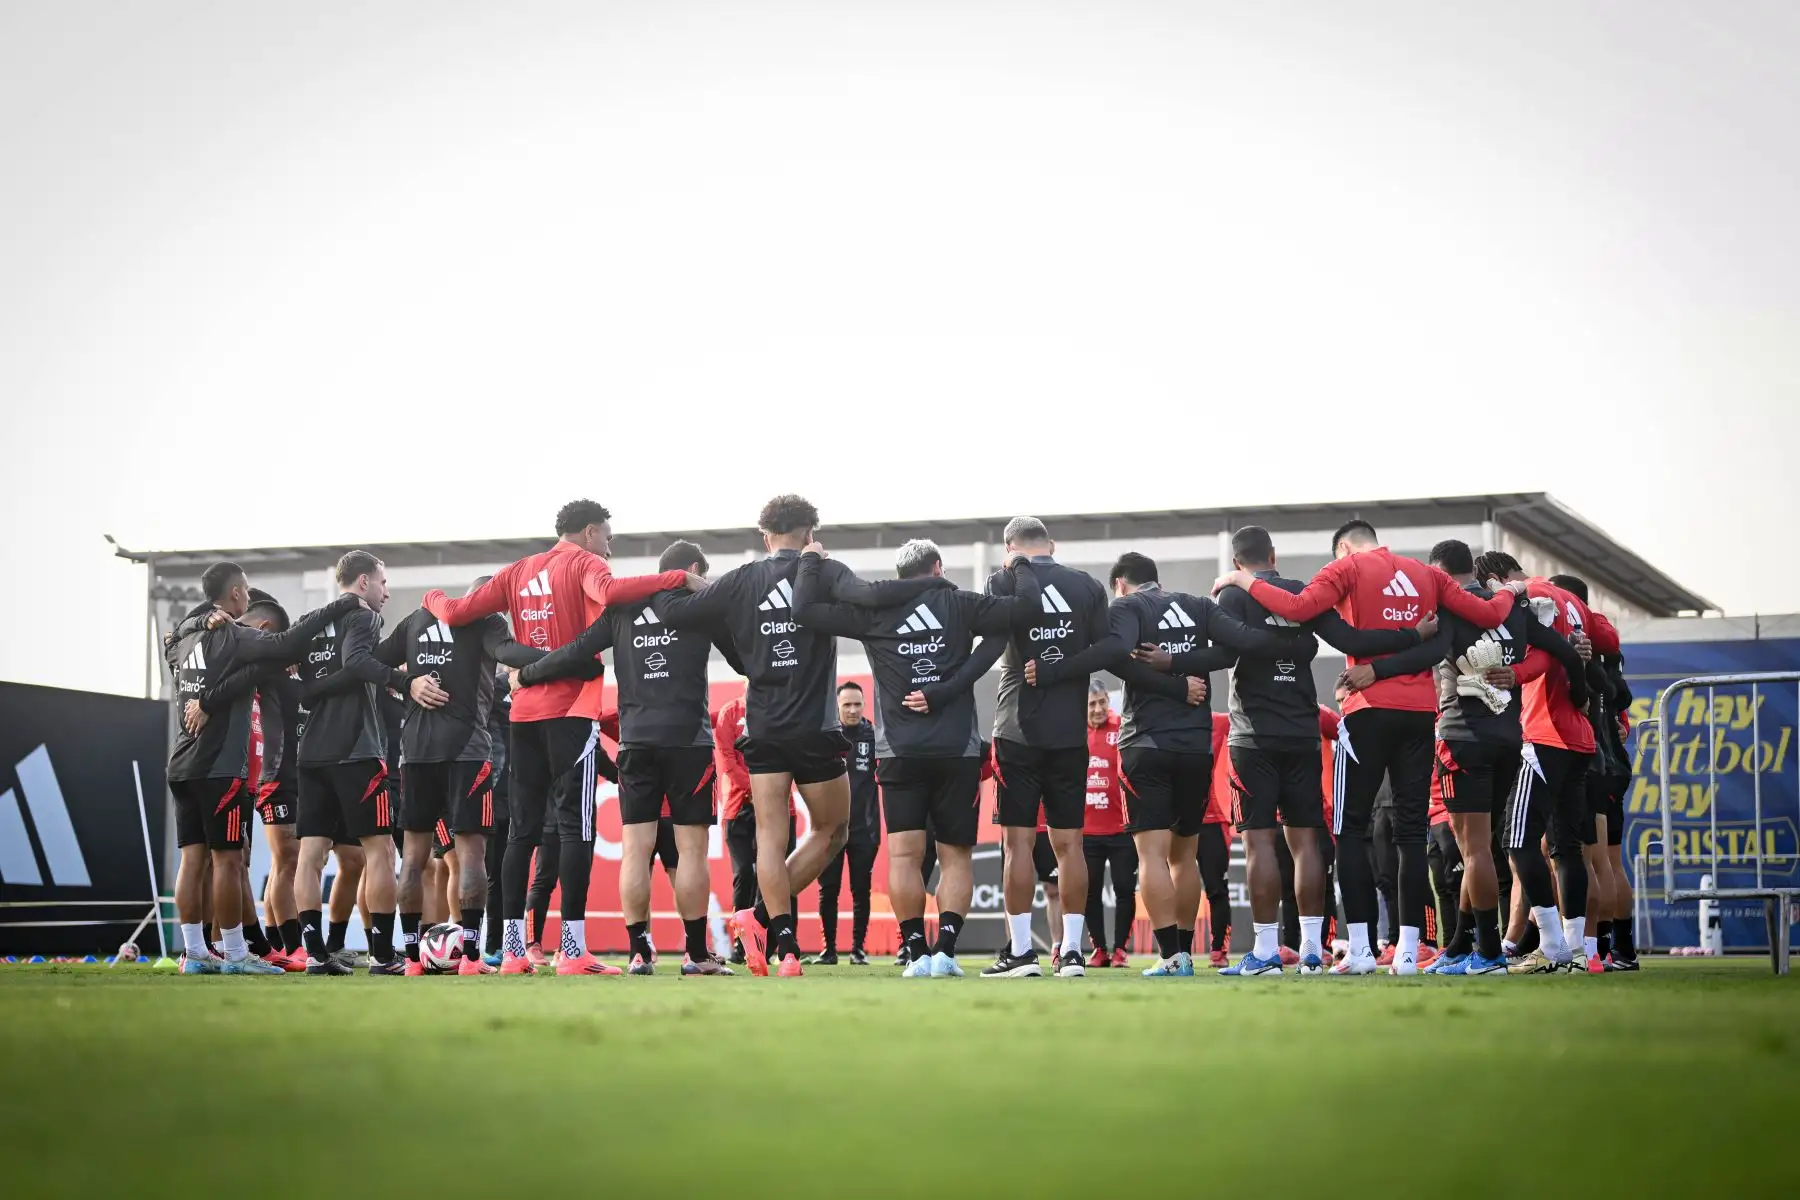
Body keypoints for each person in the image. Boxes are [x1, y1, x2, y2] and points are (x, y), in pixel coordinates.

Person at [1215, 520, 1522, 975]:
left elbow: (1315, 617)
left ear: (1343, 548)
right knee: (1411, 834)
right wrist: (1511, 592)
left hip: (1365, 711)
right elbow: (1462, 631)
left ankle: (1358, 951)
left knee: (1350, 831)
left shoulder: (1345, 570)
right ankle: (1408, 953)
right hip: (1420, 714)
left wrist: (1243, 579)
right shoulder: (1427, 574)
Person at [653, 495, 933, 977]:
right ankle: (761, 919)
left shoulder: (740, 580)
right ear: (810, 533)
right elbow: (870, 596)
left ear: (765, 536)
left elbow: (676, 613)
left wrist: (683, 582)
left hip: (762, 727)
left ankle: (780, 943)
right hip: (815, 728)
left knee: (769, 837)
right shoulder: (823, 571)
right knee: (834, 831)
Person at [421, 499, 699, 976]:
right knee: (576, 830)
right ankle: (572, 951)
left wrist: (430, 597)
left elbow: (458, 611)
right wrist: (678, 579)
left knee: (521, 833)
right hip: (572, 711)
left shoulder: (517, 571)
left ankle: (511, 952)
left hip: (523, 715)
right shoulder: (586, 563)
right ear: (590, 532)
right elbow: (611, 593)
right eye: (608, 538)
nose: (609, 549)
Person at [1033, 550, 1303, 978]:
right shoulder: (1197, 605)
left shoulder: (1126, 606)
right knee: (1185, 857)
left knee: (1152, 856)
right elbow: (1234, 649)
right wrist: (1185, 677)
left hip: (1147, 745)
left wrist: (1169, 674)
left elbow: (1115, 655)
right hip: (1195, 748)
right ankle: (1185, 955)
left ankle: (1171, 955)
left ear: (1121, 583)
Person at [791, 537, 1039, 978]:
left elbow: (806, 610)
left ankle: (915, 950)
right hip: (956, 751)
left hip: (899, 752)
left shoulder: (875, 610)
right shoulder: (961, 604)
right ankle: (945, 949)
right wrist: (1018, 563)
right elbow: (1023, 610)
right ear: (938, 567)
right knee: (955, 855)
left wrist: (812, 562)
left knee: (905, 855)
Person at [1193, 525, 1427, 977]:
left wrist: (1169, 668)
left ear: (1238, 563)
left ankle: (1264, 952)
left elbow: (1221, 655)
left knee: (1260, 841)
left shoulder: (1232, 595)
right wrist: (1411, 636)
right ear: (1273, 554)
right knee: (1305, 845)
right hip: (1302, 733)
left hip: (1254, 736)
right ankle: (1313, 949)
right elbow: (1353, 640)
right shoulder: (1301, 593)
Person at [508, 539, 743, 977]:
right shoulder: (701, 605)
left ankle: (639, 952)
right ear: (692, 568)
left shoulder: (622, 610)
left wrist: (526, 673)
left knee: (636, 848)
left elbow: (575, 651)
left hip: (636, 743)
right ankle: (696, 955)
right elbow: (743, 659)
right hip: (687, 741)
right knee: (690, 851)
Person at [1398, 540, 1585, 976]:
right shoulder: (1513, 609)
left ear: (1439, 572)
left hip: (1462, 739)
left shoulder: (1449, 609)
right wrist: (1567, 686)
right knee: (1478, 850)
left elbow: (1423, 655)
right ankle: (1464, 945)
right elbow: (1562, 650)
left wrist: (1381, 665)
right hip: (1508, 741)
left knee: (1474, 851)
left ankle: (1487, 954)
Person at [164, 564, 361, 975]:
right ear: (236, 593)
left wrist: (199, 622)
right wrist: (340, 605)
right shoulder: (233, 635)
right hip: (220, 765)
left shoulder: (183, 641)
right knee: (229, 861)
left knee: (193, 861)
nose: (248, 598)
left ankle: (196, 953)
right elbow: (287, 643)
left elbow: (181, 646)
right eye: (246, 591)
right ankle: (236, 954)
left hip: (182, 763)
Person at [372, 575, 542, 975]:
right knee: (471, 857)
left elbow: (369, 661)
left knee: (412, 860)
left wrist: (405, 682)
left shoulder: (417, 619)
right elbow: (509, 651)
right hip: (467, 753)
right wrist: (560, 655)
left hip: (414, 754)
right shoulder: (488, 622)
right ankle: (469, 958)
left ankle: (412, 960)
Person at [1471, 552, 1599, 972]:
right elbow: (1599, 644)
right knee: (1567, 849)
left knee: (1517, 841)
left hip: (1546, 734)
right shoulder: (1574, 601)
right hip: (1578, 737)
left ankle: (1550, 945)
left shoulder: (1527, 594)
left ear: (1494, 579)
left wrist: (1517, 672)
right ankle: (1577, 951)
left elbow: (1551, 653)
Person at [290, 551, 413, 975]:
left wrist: (313, 691)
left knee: (310, 854)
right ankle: (382, 955)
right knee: (381, 852)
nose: (386, 592)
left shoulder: (310, 622)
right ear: (363, 583)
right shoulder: (363, 616)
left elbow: (297, 680)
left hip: (312, 753)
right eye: (382, 582)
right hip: (357, 751)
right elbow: (358, 663)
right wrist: (403, 680)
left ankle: (315, 955)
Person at [811, 683, 879, 966]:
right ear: (837, 706)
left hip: (865, 827)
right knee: (828, 888)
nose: (852, 710)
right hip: (830, 826)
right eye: (847, 705)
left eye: (857, 704)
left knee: (861, 889)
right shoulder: (826, 735)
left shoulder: (875, 734)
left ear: (864, 705)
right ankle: (829, 950)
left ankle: (858, 949)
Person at [1080, 681, 1134, 969]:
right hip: (1087, 830)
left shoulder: (1123, 726)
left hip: (1122, 827)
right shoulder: (1075, 732)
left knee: (1125, 888)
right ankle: (1099, 949)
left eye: (1102, 702)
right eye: (1092, 704)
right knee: (1090, 891)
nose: (1099, 708)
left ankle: (1121, 950)